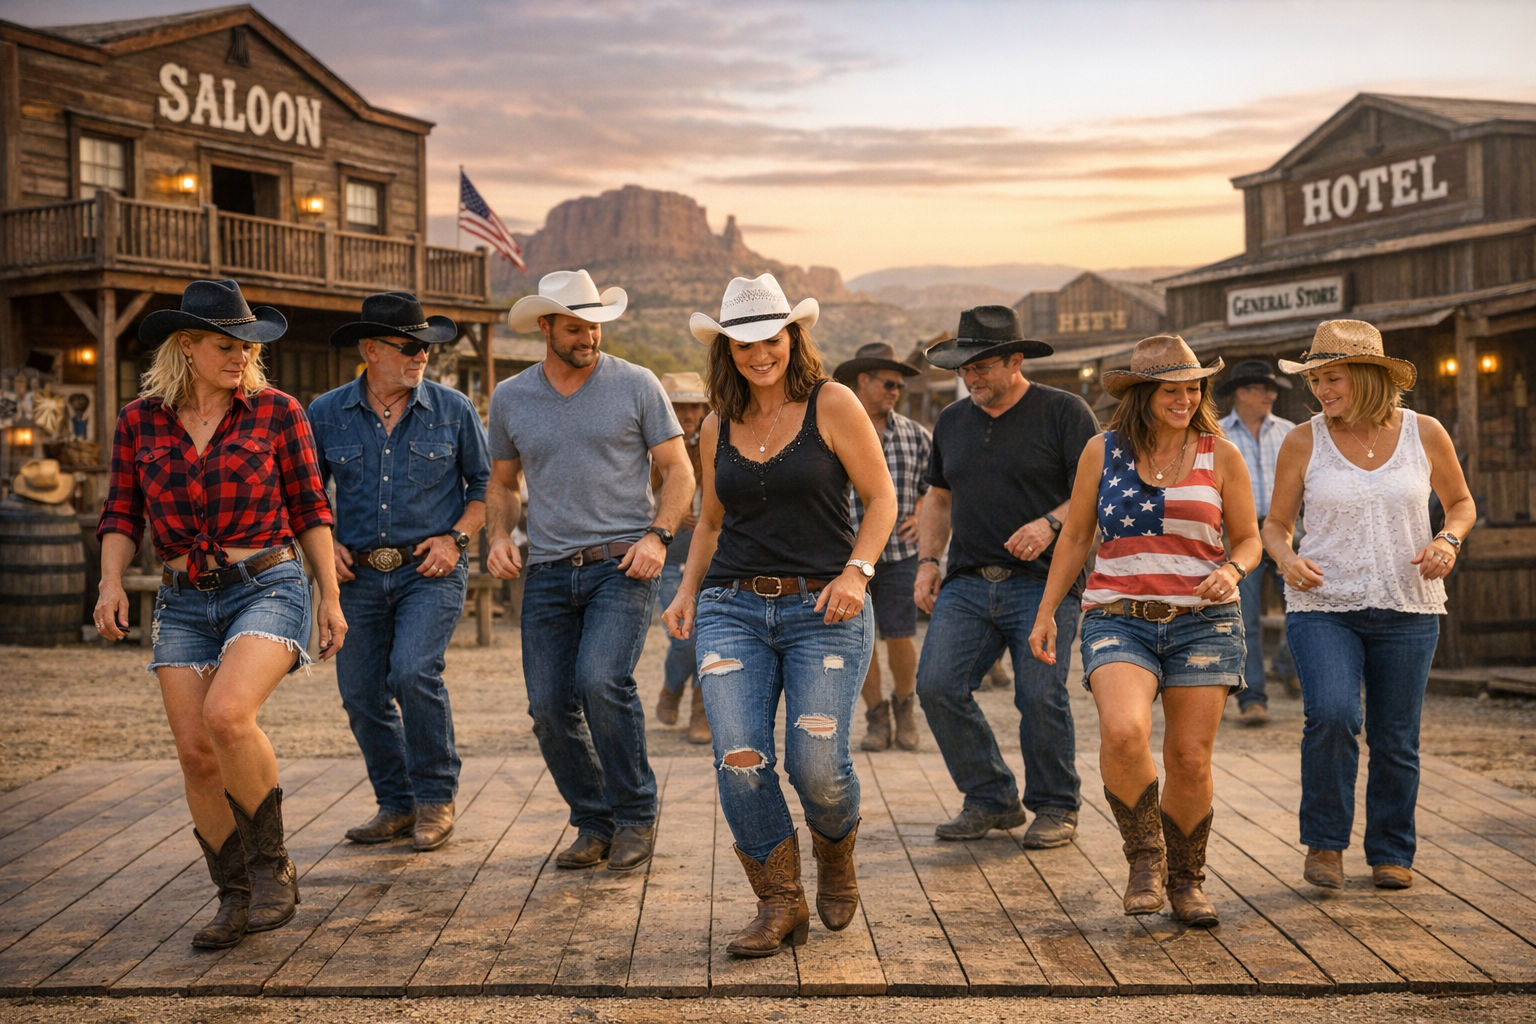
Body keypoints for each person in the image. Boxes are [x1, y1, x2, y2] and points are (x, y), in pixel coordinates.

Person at [93, 279, 345, 950]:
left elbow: (310, 507)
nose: (240, 356)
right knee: (196, 755)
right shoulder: (139, 421)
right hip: (182, 598)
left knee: (227, 714)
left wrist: (332, 597)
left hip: (267, 582)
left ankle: (272, 869)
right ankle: (233, 897)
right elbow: (121, 512)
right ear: (186, 346)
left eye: (245, 345)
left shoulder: (277, 412)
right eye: (224, 345)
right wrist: (110, 583)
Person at [663, 273, 895, 958]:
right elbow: (708, 522)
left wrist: (858, 572)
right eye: (743, 343)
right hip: (731, 607)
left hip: (823, 606)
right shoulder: (714, 425)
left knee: (816, 762)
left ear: (793, 338)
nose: (759, 353)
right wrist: (685, 593)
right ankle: (779, 901)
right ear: (727, 351)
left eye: (770, 338)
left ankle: (836, 850)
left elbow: (879, 500)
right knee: (739, 758)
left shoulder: (834, 402)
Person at [1029, 334, 1258, 928]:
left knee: (1188, 756)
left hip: (1203, 623)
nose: (1184, 399)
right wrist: (1048, 609)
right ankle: (1145, 861)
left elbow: (1251, 539)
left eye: (1192, 388)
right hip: (1117, 618)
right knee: (1125, 731)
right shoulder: (1102, 451)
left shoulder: (1220, 454)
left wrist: (1232, 570)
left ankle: (1187, 880)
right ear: (1142, 394)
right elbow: (1077, 536)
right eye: (1170, 390)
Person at [486, 269, 694, 875]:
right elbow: (502, 483)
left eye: (595, 326)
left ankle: (635, 815)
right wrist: (499, 534)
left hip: (622, 564)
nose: (589, 338)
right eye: (575, 327)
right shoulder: (512, 397)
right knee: (549, 707)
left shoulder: (637, 384)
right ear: (545, 326)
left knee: (602, 682)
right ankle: (593, 821)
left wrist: (658, 536)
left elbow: (679, 472)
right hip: (548, 570)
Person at [1263, 319, 1475, 892]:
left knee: (1396, 737)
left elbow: (1460, 504)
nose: (1320, 391)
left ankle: (1390, 849)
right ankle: (1326, 845)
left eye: (1332, 378)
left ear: (1368, 377)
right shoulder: (1304, 439)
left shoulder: (1424, 432)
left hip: (1410, 608)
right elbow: (1276, 525)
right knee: (1332, 716)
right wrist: (1286, 559)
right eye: (1314, 380)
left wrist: (1446, 541)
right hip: (1323, 604)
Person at [309, 292, 491, 852]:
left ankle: (435, 799)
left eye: (426, 349)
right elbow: (306, 495)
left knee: (413, 673)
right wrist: (325, 545)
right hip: (355, 576)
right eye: (410, 347)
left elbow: (484, 490)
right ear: (371, 350)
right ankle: (396, 804)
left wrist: (457, 539)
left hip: (427, 572)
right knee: (361, 693)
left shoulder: (455, 410)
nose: (421, 358)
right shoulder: (324, 412)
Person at [913, 305, 1093, 849]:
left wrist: (1051, 522)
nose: (970, 378)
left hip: (1045, 581)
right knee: (938, 686)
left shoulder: (1064, 413)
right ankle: (991, 797)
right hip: (967, 580)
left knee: (1039, 695)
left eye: (982, 367)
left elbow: (1098, 492)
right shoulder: (951, 421)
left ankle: (1056, 805)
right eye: (964, 369)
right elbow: (938, 498)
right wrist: (927, 561)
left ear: (1016, 361)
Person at [833, 342, 931, 751]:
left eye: (900, 386)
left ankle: (904, 709)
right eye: (888, 383)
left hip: (898, 553)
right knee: (860, 639)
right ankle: (877, 719)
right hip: (845, 554)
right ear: (863, 381)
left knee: (901, 635)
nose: (895, 391)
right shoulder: (831, 429)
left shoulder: (916, 435)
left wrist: (920, 513)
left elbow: (938, 487)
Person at [1216, 360, 1298, 724]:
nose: (1272, 394)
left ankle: (1284, 662)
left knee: (1302, 611)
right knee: (1243, 618)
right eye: (1264, 388)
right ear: (1241, 392)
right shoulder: (1215, 435)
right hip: (1237, 534)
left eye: (1273, 389)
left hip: (1288, 532)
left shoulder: (1292, 433)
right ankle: (1253, 700)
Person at [652, 371, 713, 746]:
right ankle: (672, 685)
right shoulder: (651, 447)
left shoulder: (715, 442)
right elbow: (634, 499)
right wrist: (670, 512)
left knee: (710, 639)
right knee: (684, 638)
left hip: (713, 558)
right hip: (669, 556)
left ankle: (699, 710)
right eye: (680, 405)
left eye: (694, 405)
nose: (688, 413)